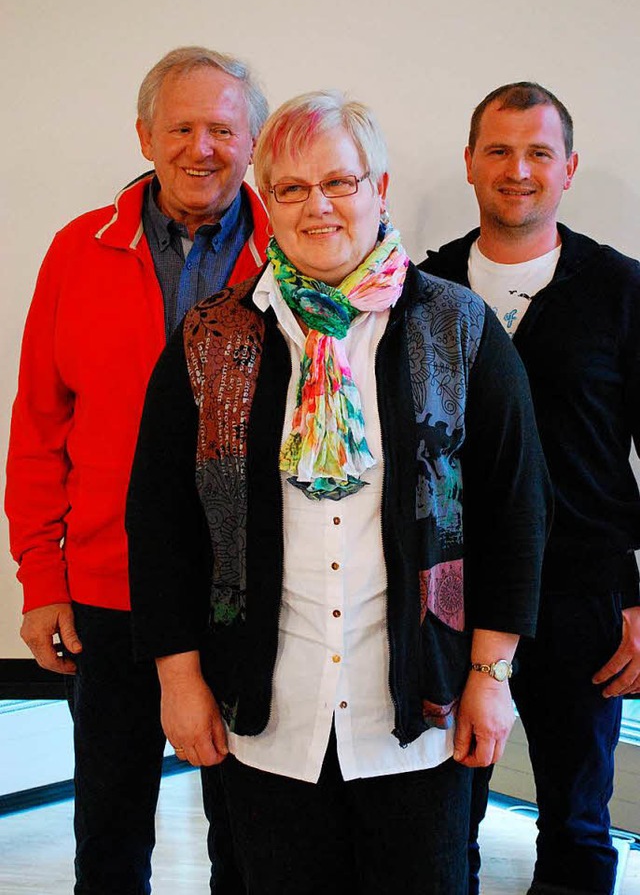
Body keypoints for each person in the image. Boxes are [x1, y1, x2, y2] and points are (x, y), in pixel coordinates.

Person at [126, 89, 551, 895]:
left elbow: (517, 511)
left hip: (418, 717)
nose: (317, 206)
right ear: (267, 201)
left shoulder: (458, 329)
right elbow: (162, 525)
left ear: (379, 188)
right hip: (264, 716)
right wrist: (179, 682)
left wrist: (491, 678)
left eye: (340, 183)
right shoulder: (213, 338)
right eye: (290, 188)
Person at [5, 46, 269, 895]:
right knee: (110, 834)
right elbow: (40, 428)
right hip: (108, 594)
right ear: (145, 136)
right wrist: (41, 575)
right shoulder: (78, 250)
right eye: (182, 127)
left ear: (252, 140)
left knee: (251, 837)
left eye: (223, 129)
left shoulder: (293, 257)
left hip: (247, 594)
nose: (203, 148)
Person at [421, 82, 640, 895]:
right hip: (451, 597)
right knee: (445, 816)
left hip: (583, 596)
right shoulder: (421, 288)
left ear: (568, 168)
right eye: (500, 151)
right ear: (471, 165)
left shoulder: (621, 289)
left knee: (579, 822)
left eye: (539, 152)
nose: (519, 170)